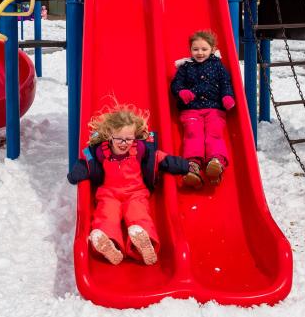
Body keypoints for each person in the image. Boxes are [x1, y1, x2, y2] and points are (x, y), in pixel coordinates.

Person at [66, 106, 188, 266]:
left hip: (135, 193)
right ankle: (109, 243)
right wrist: (76, 173)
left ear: (134, 137)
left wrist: (182, 165)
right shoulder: (100, 153)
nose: (124, 143)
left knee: (138, 214)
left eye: (129, 139)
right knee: (106, 215)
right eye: (119, 139)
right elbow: (86, 163)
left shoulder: (140, 150)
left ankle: (143, 242)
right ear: (110, 136)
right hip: (109, 194)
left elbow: (159, 158)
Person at [170, 30, 236, 189]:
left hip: (214, 108)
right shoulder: (185, 67)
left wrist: (227, 96)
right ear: (190, 50)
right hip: (191, 110)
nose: (199, 53)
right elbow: (176, 84)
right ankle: (193, 166)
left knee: (214, 133)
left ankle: (216, 162)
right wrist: (181, 92)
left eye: (204, 49)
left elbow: (226, 83)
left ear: (213, 49)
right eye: (195, 49)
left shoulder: (218, 66)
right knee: (193, 134)